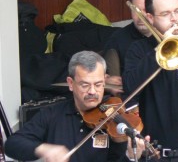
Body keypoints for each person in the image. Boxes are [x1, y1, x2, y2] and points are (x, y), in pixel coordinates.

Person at [5, 51, 148, 162]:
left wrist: (130, 156)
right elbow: (12, 144)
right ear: (70, 83)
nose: (92, 91)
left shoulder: (116, 119)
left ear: (105, 81)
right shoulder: (52, 114)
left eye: (98, 84)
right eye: (85, 85)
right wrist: (44, 149)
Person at [122, 0, 178, 162]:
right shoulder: (139, 51)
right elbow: (129, 87)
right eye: (165, 14)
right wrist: (160, 49)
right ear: (150, 18)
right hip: (156, 154)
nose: (174, 19)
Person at [103, 0, 157, 75]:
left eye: (146, 10)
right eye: (136, 10)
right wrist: (107, 78)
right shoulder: (117, 39)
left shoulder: (171, 35)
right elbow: (103, 74)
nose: (141, 16)